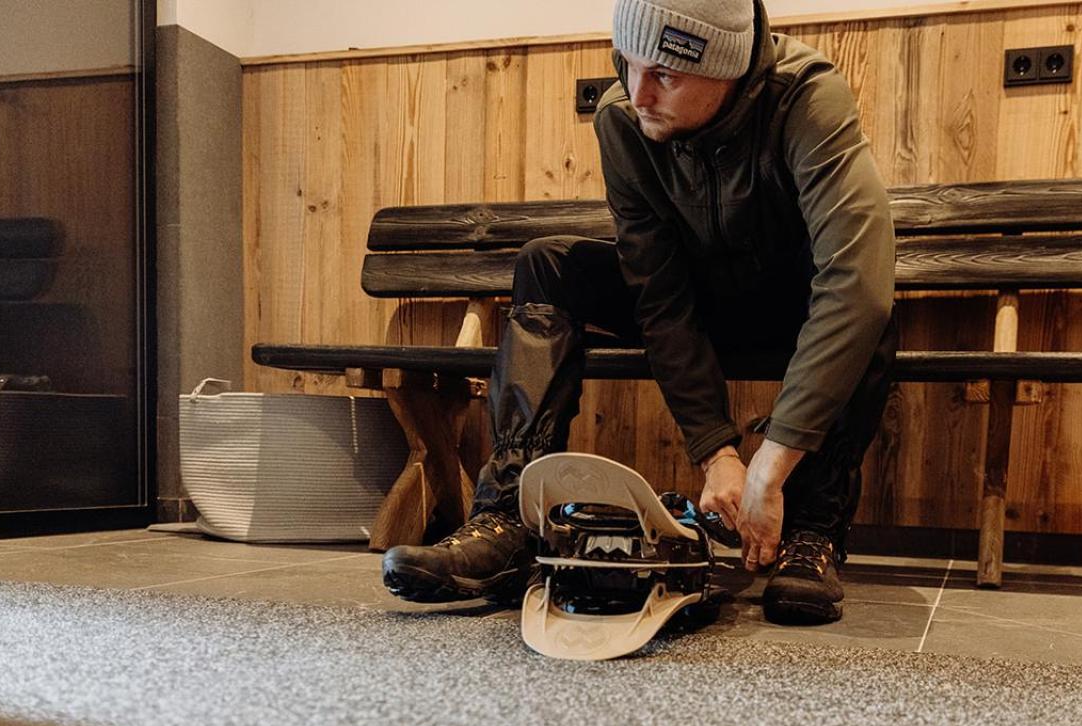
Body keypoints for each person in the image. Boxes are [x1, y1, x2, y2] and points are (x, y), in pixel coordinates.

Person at [383, 0, 897, 625]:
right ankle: (508, 519)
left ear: (729, 69)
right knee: (548, 264)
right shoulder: (624, 120)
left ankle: (811, 534)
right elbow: (659, 294)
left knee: (866, 304)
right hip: (699, 303)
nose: (636, 91)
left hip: (792, 306)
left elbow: (853, 279)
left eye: (665, 75)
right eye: (626, 64)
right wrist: (718, 452)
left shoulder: (807, 99)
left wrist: (770, 465)